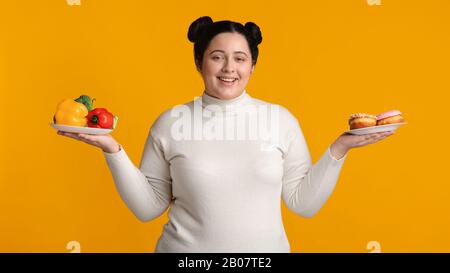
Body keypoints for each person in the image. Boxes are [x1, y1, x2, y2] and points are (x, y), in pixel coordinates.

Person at [57, 16, 394, 253]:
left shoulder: (280, 120)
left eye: (240, 58)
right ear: (199, 62)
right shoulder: (171, 122)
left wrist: (340, 148)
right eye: (217, 57)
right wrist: (111, 149)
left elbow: (303, 204)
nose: (229, 68)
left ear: (252, 66)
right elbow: (148, 208)